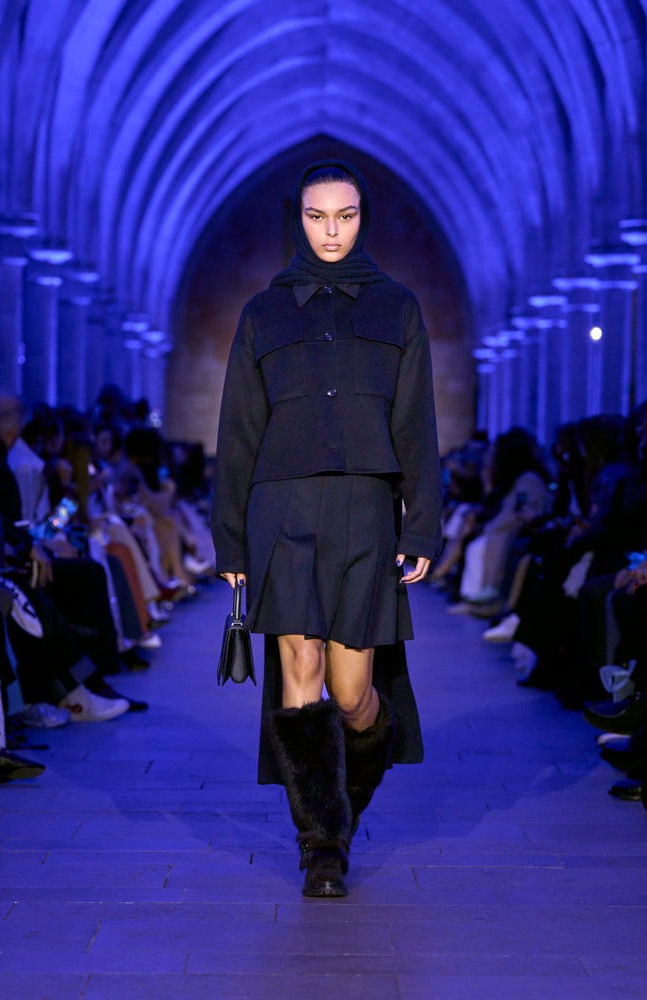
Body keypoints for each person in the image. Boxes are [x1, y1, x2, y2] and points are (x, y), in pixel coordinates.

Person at [212, 160, 442, 897]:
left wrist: (423, 526)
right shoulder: (263, 314)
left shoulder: (398, 308)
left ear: (362, 218)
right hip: (281, 511)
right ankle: (322, 845)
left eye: (345, 215)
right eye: (317, 216)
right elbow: (238, 432)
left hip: (365, 511)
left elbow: (417, 424)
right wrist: (230, 540)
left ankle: (342, 800)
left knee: (351, 694)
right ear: (299, 219)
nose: (331, 231)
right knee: (300, 672)